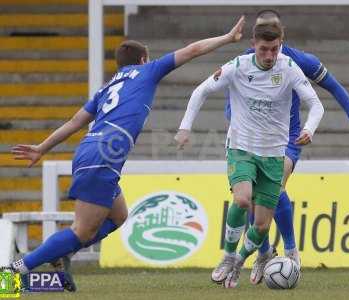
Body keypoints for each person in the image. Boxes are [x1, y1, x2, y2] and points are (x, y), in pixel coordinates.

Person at [10, 15, 245, 291]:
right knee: (81, 230)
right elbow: (192, 50)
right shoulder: (148, 71)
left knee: (118, 216)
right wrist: (228, 38)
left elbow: (75, 122)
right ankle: (14, 271)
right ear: (144, 59)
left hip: (90, 150)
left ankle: (61, 254)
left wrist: (42, 148)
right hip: (104, 156)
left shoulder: (106, 88)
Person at [224, 10, 349, 285]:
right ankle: (264, 253)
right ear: (255, 37)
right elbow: (230, 102)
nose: (266, 45)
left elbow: (334, 87)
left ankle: (291, 251)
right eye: (260, 34)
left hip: (287, 138)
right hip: (250, 140)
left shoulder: (300, 62)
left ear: (282, 35)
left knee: (274, 186)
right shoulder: (244, 63)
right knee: (250, 197)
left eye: (272, 35)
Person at [175, 20, 324, 288]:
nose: (269, 56)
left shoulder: (289, 68)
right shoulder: (238, 67)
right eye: (264, 49)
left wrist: (309, 129)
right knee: (242, 200)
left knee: (262, 225)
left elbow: (316, 104)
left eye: (275, 50)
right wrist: (185, 127)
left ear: (280, 46)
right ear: (253, 45)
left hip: (274, 155)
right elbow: (201, 91)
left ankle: (240, 261)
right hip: (241, 148)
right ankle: (228, 256)